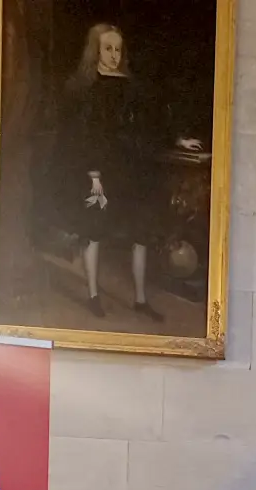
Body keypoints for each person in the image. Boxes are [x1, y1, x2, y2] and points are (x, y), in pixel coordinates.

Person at [59, 23, 175, 323]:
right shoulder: (84, 87)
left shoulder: (132, 86)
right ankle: (94, 295)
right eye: (107, 48)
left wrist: (177, 139)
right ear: (95, 50)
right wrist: (94, 177)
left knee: (140, 232)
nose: (113, 55)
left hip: (131, 168)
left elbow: (148, 125)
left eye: (118, 49)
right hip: (98, 170)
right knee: (95, 231)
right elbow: (84, 136)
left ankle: (140, 299)